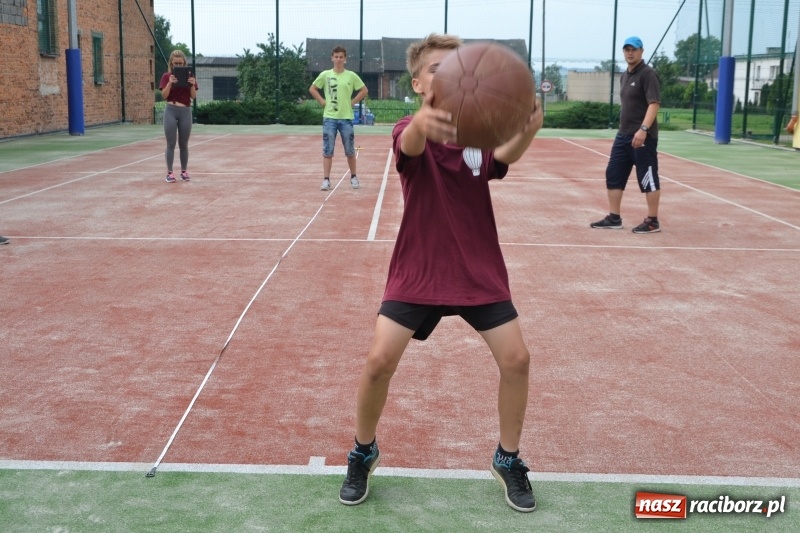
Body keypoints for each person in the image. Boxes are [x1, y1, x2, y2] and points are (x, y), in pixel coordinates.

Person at [338, 33, 543, 513]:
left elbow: (503, 158)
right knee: (378, 362)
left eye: (456, 68)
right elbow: (407, 145)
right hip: (421, 269)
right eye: (437, 70)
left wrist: (528, 126)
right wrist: (424, 124)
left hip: (477, 267)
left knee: (517, 360)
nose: (449, 77)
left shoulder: (479, 132)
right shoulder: (410, 127)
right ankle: (362, 451)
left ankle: (507, 458)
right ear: (417, 83)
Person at [591, 36, 662, 234]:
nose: (630, 53)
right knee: (613, 174)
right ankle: (614, 218)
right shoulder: (625, 75)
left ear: (641, 51)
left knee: (647, 177)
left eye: (634, 49)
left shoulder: (648, 74)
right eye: (627, 49)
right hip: (623, 136)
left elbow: (654, 103)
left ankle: (653, 221)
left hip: (643, 137)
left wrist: (644, 130)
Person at [309, 46, 368, 191]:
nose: (338, 59)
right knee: (327, 150)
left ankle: (354, 177)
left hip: (346, 118)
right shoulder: (325, 75)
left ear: (345, 59)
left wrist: (353, 102)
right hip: (329, 118)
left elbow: (364, 90)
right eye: (336, 56)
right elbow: (313, 88)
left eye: (341, 57)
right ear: (332, 58)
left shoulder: (351, 76)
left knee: (349, 149)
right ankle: (326, 180)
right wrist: (322, 101)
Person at [159, 50, 197, 183]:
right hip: (171, 110)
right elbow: (164, 95)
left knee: (183, 144)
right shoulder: (166, 76)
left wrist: (192, 84)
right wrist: (170, 83)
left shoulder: (190, 76)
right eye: (176, 64)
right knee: (171, 143)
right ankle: (169, 173)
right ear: (171, 63)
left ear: (184, 63)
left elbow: (193, 95)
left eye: (181, 63)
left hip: (185, 111)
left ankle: (184, 171)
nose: (179, 66)